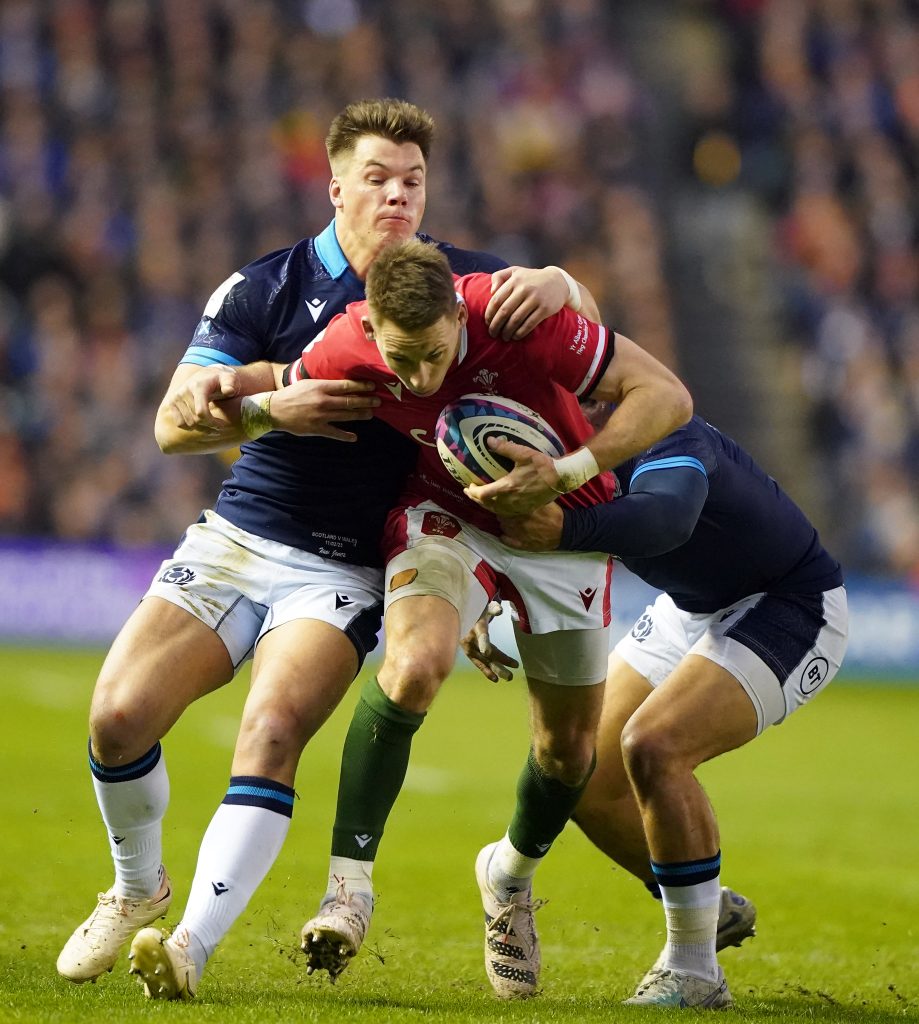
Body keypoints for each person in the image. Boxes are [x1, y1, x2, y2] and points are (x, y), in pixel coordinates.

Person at [55, 98, 590, 1002]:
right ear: (334, 184)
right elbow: (171, 425)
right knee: (116, 718)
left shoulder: (457, 285)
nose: (396, 196)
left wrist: (564, 282)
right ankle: (136, 886)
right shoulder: (263, 288)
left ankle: (187, 948)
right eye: (377, 178)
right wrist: (270, 409)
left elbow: (577, 334)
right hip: (238, 537)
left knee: (268, 735)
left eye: (412, 181)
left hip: (342, 565)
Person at [199, 236, 693, 998]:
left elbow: (666, 396)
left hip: (560, 521)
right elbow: (284, 377)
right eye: (402, 360)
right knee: (413, 667)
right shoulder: (350, 340)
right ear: (373, 333)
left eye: (433, 353)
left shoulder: (514, 315)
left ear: (458, 316)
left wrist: (564, 474)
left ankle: (509, 882)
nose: (419, 376)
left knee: (566, 754)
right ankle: (347, 892)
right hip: (445, 515)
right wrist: (228, 384)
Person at [488, 408, 848, 1008]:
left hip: (790, 603)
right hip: (691, 606)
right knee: (584, 770)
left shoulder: (658, 424)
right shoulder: (556, 435)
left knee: (654, 746)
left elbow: (667, 517)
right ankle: (707, 911)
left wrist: (565, 530)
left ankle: (693, 968)